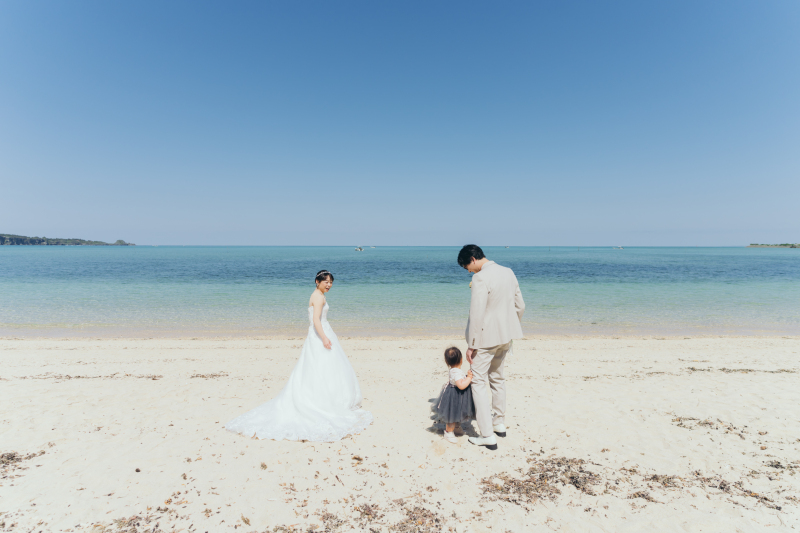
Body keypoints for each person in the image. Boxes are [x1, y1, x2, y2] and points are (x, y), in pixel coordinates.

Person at [225, 270, 372, 442]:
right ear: (317, 281)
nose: (329, 285)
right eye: (326, 282)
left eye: (331, 282)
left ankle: (328, 398)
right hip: (319, 334)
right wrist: (324, 337)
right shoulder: (318, 296)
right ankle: (324, 401)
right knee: (322, 367)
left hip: (318, 334)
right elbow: (316, 320)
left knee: (320, 368)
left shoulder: (317, 294)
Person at [458, 245, 525, 451]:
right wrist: (509, 326)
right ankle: (499, 423)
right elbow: (520, 306)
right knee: (497, 378)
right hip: (506, 336)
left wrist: (472, 344)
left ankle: (487, 434)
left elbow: (476, 314)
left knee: (477, 381)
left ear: (473, 259)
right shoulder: (508, 272)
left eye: (467, 266)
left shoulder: (480, 278)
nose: (469, 271)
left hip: (486, 339)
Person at [431, 346, 475, 444]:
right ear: (461, 359)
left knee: (457, 413)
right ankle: (448, 432)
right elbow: (461, 385)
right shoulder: (456, 372)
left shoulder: (454, 370)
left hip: (456, 395)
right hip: (454, 396)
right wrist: (469, 377)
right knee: (452, 414)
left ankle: (456, 427)